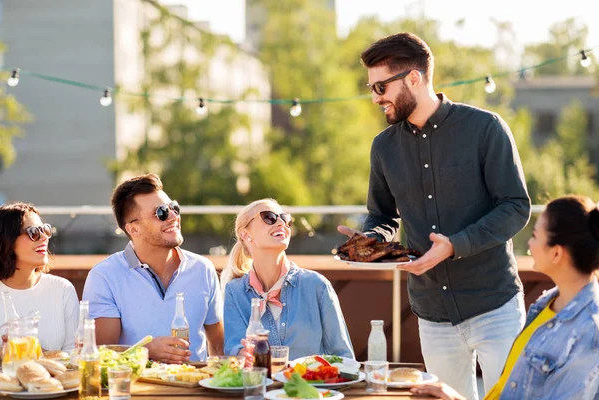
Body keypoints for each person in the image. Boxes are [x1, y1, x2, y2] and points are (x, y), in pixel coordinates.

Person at [337, 32, 531, 399]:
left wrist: (454, 246)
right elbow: (382, 214)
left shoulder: (485, 129)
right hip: (431, 313)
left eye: (380, 86)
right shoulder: (383, 147)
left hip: (494, 304)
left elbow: (515, 206)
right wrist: (372, 240)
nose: (375, 97)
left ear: (414, 77)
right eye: (371, 87)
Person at [412, 195, 599, 400]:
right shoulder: (547, 304)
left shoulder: (589, 332)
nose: (529, 242)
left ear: (556, 253)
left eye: (535, 236)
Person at [82, 173, 223, 363]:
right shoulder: (104, 277)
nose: (173, 216)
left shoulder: (203, 269)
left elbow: (219, 347)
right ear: (133, 229)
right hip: (136, 389)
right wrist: (145, 351)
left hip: (193, 388)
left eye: (174, 208)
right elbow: (101, 356)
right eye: (161, 213)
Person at [222, 198, 354, 360]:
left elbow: (344, 357)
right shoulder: (234, 292)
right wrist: (241, 354)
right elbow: (233, 349)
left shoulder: (317, 286)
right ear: (245, 234)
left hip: (312, 385)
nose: (281, 223)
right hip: (261, 384)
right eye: (269, 217)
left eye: (285, 219)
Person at [0, 202, 79, 352]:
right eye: (34, 232)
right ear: (6, 240)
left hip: (50, 376)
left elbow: (74, 355)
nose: (44, 238)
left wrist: (34, 352)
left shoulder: (62, 289)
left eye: (45, 230)